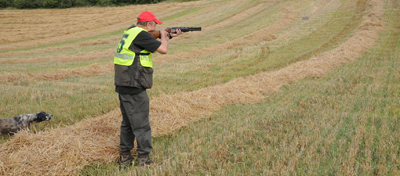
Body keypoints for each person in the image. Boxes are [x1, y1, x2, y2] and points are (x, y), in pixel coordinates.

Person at [114, 11, 182, 168]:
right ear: (149, 24)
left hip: (124, 84)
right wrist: (164, 36)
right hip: (134, 84)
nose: (157, 27)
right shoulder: (141, 34)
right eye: (155, 24)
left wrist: (168, 36)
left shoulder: (131, 32)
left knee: (128, 123)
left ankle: (125, 158)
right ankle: (144, 160)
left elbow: (148, 47)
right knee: (141, 124)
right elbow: (163, 50)